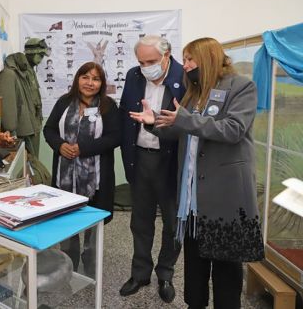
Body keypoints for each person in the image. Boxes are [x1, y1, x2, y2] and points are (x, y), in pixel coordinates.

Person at [129, 37, 265, 308]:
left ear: (209, 58)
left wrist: (185, 119)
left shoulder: (241, 87)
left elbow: (232, 129)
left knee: (226, 269)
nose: (187, 65)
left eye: (191, 59)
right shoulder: (195, 92)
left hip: (225, 196)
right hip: (192, 197)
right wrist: (154, 122)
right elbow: (182, 129)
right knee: (195, 266)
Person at [118, 35, 185, 303]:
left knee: (172, 223)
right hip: (140, 157)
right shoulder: (134, 77)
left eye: (152, 61)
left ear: (167, 56)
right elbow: (126, 114)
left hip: (172, 160)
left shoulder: (184, 78)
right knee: (140, 221)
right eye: (142, 61)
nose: (147, 67)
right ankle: (140, 273)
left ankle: (166, 274)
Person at [43, 61, 121, 275]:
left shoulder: (108, 106)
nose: (90, 83)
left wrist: (83, 148)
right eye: (85, 77)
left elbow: (115, 137)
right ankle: (69, 261)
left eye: (96, 79)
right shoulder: (63, 103)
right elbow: (49, 130)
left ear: (101, 83)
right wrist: (60, 146)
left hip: (95, 179)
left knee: (92, 223)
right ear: (77, 79)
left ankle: (90, 259)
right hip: (65, 177)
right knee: (67, 222)